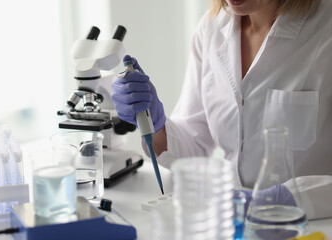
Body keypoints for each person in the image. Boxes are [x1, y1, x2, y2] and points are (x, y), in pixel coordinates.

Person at [111, 0, 332, 220]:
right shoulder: (211, 28)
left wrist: (283, 199)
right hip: (234, 224)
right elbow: (195, 147)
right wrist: (156, 125)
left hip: (312, 226)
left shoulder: (326, 29)